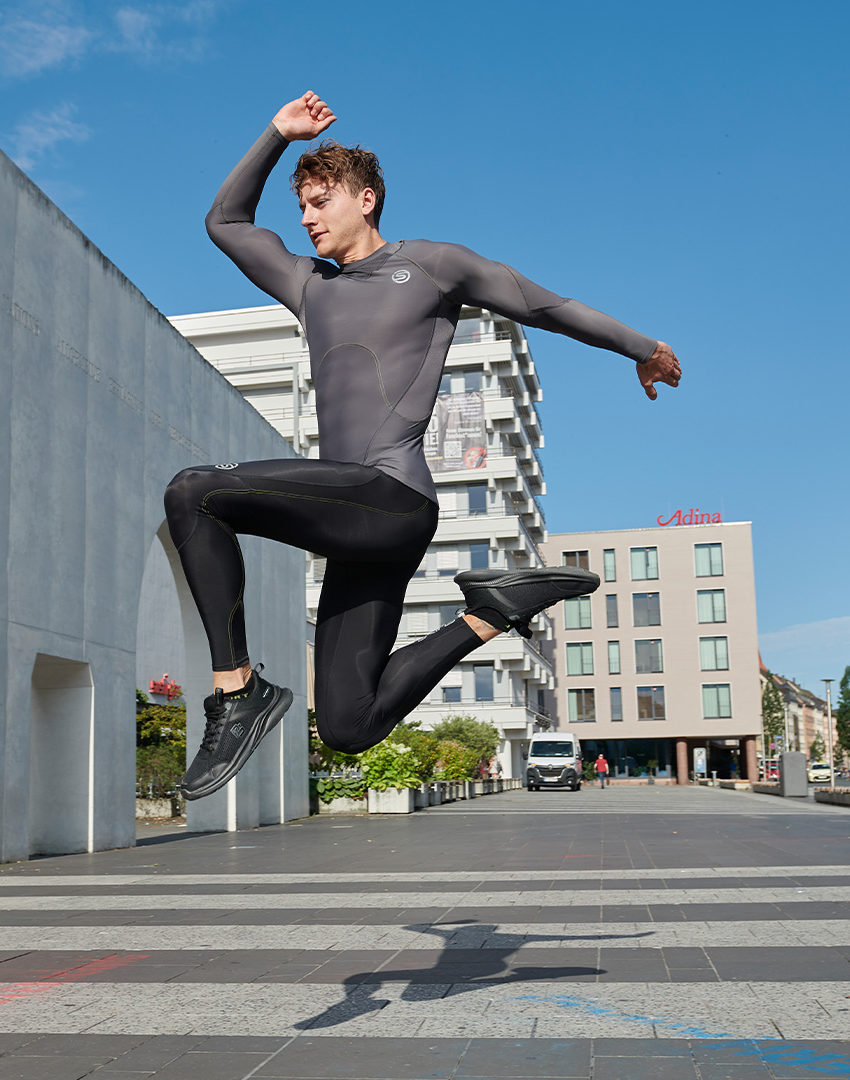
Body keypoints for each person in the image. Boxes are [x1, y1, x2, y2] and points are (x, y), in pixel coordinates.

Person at [165, 92, 682, 800]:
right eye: (301, 207)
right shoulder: (308, 285)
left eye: (320, 202)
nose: (307, 218)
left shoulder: (433, 266)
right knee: (347, 723)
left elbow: (545, 305)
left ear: (366, 199)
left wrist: (642, 347)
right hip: (355, 523)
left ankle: (236, 691)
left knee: (194, 491)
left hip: (393, 498)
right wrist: (277, 134)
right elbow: (225, 221)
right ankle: (492, 612)